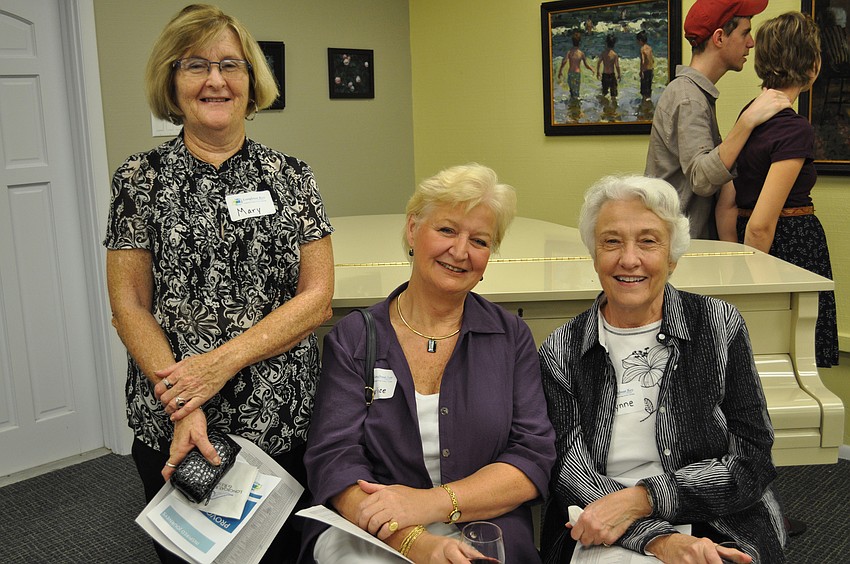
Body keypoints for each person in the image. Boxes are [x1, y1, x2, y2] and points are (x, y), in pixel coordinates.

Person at [103, 5, 334, 562]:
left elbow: (317, 299)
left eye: (231, 64)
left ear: (252, 82)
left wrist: (219, 364)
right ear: (171, 80)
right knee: (190, 556)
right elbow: (128, 304)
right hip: (175, 419)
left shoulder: (291, 175)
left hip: (279, 416)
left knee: (281, 555)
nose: (215, 79)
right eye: (195, 64)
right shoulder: (139, 179)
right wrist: (186, 403)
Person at [303, 164, 556, 563]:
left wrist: (433, 504)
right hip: (372, 530)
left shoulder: (510, 337)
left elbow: (532, 456)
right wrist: (412, 540)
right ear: (412, 230)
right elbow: (333, 460)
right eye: (447, 230)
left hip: (483, 525)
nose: (460, 251)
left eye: (480, 240)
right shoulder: (354, 337)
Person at [539, 175, 787, 564]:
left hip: (714, 514)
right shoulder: (561, 349)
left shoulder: (719, 324)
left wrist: (647, 498)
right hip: (600, 520)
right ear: (594, 254)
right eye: (612, 241)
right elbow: (569, 473)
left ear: (672, 256)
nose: (629, 259)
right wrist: (658, 539)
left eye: (649, 241)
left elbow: (752, 455)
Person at [719, 11, 838, 368]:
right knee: (785, 357)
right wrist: (755, 289)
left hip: (747, 246)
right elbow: (760, 225)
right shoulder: (795, 129)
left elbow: (728, 197)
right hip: (786, 249)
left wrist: (732, 261)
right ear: (813, 65)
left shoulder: (749, 115)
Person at [645, 0, 792, 240]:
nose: (751, 43)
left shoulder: (694, 94)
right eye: (745, 32)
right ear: (720, 37)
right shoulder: (688, 97)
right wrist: (747, 121)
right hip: (679, 251)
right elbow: (701, 179)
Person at [558, 32, 594, 99]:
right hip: (577, 74)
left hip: (570, 73)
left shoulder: (569, 52)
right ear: (579, 42)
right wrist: (592, 69)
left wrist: (560, 71)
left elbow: (564, 61)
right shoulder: (581, 53)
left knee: (572, 91)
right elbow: (586, 65)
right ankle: (576, 106)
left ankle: (572, 105)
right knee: (576, 92)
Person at [637, 31, 655, 101]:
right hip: (650, 70)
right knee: (649, 87)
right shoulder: (649, 48)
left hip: (645, 70)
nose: (638, 42)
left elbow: (643, 61)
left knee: (644, 88)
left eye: (638, 41)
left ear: (641, 40)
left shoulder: (642, 49)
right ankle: (649, 99)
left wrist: (641, 71)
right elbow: (652, 60)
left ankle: (644, 101)